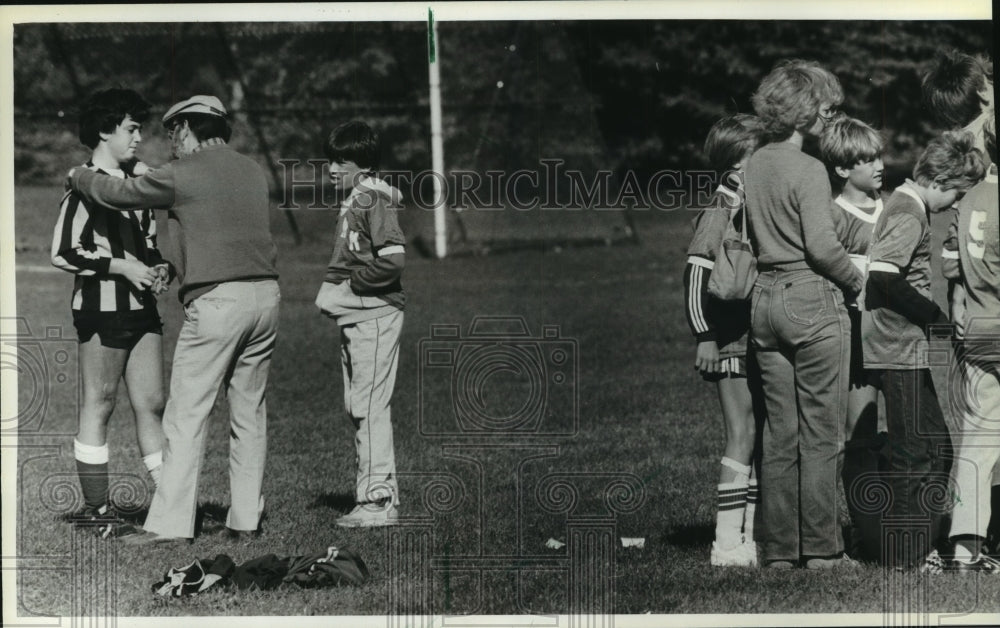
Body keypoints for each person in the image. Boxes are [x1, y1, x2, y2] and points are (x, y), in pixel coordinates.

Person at [67, 95, 280, 544]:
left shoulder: (186, 173)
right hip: (267, 300)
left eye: (172, 134)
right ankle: (245, 520)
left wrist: (80, 174)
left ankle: (169, 525)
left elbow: (117, 192)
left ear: (186, 128)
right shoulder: (251, 170)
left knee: (184, 417)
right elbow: (217, 232)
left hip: (219, 306)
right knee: (248, 414)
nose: (169, 144)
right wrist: (172, 266)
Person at [744, 59, 864, 570]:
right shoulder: (810, 168)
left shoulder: (753, 163)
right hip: (810, 298)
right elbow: (821, 247)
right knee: (822, 432)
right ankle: (822, 550)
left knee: (779, 433)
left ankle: (777, 551)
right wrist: (859, 284)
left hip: (763, 302)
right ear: (802, 110)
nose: (829, 114)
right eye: (824, 105)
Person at [863, 130, 985, 571]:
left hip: (905, 346)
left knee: (936, 446)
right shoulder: (908, 212)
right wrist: (935, 316)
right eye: (956, 193)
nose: (956, 204)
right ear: (938, 177)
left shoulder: (906, 205)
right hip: (896, 346)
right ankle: (906, 553)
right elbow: (882, 275)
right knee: (914, 452)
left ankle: (922, 540)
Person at [51, 87, 167, 538]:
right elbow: (62, 252)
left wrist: (159, 266)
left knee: (152, 404)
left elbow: (151, 243)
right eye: (131, 128)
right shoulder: (84, 185)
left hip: (142, 309)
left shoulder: (135, 187)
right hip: (101, 309)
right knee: (100, 403)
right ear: (105, 130)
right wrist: (121, 266)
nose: (139, 137)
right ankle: (96, 512)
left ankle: (171, 506)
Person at [683, 114, 765, 567]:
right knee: (741, 435)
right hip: (729, 339)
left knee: (758, 436)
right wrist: (705, 336)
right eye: (759, 154)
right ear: (738, 160)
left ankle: (751, 537)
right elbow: (695, 269)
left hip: (756, 335)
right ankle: (727, 543)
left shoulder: (750, 203)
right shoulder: (722, 205)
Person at [314, 121, 406, 528]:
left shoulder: (373, 200)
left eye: (341, 161)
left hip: (374, 313)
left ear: (363, 164)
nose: (332, 169)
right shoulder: (358, 198)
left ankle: (378, 500)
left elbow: (393, 260)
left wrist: (348, 286)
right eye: (330, 160)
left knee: (368, 406)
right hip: (359, 315)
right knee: (359, 405)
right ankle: (372, 493)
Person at [818, 116, 886, 561]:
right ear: (843, 169)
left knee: (904, 434)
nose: (879, 165)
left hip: (901, 336)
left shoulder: (898, 206)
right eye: (867, 159)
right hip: (858, 337)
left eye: (879, 154)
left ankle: (906, 523)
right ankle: (865, 532)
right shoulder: (834, 216)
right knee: (860, 434)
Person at [946, 117, 1000, 572]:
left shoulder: (970, 197)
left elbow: (953, 266)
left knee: (979, 441)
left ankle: (966, 548)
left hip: (978, 326)